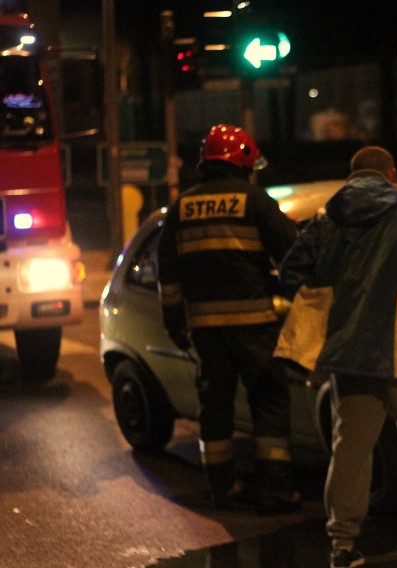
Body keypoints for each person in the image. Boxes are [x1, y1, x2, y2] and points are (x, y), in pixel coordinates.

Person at [273, 146, 397, 567]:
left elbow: (291, 273)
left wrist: (328, 308)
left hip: (350, 355)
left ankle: (343, 545)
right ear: (391, 175)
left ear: (352, 177)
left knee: (351, 448)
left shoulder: (327, 219)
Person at [157, 124, 300, 514]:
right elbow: (292, 255)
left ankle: (221, 489)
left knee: (215, 409)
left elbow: (167, 276)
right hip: (254, 327)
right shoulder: (255, 201)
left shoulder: (180, 209)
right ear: (242, 161)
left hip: (206, 332)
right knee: (269, 400)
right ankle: (274, 491)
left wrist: (176, 325)